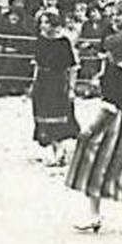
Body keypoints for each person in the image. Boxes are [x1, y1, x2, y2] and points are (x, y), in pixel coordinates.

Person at [65, 31, 122, 235]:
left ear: (115, 52)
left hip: (114, 124)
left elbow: (108, 106)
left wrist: (90, 130)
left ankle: (94, 215)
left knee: (94, 164)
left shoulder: (112, 72)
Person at [29, 10, 81, 167]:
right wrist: (33, 83)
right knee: (43, 116)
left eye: (46, 22)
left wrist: (72, 88)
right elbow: (37, 64)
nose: (43, 25)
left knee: (59, 115)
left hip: (58, 81)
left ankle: (60, 150)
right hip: (42, 82)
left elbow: (72, 68)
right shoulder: (40, 40)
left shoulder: (64, 42)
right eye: (41, 22)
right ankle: (54, 150)